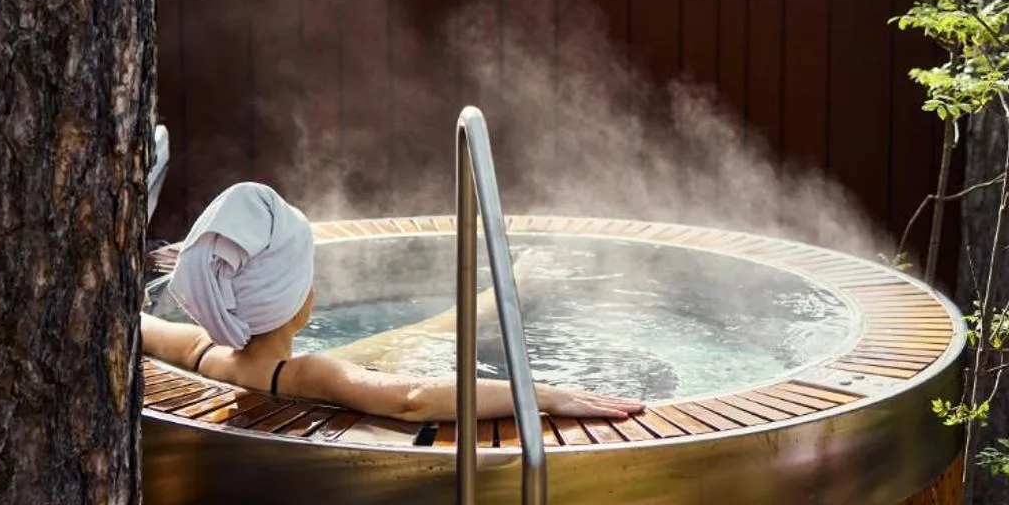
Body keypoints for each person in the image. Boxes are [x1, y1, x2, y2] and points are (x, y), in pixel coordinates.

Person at [138, 182, 641, 423]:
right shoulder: (311, 372)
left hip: (258, 375)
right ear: (297, 304)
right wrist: (540, 393)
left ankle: (506, 296)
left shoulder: (202, 350)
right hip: (302, 391)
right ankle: (510, 295)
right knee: (415, 339)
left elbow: (142, 327)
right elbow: (412, 398)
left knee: (410, 338)